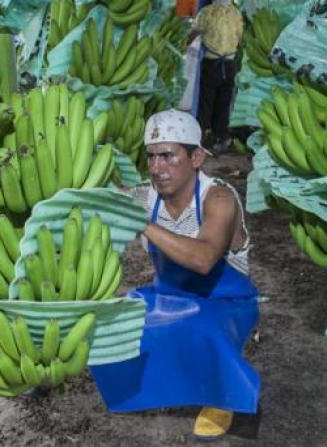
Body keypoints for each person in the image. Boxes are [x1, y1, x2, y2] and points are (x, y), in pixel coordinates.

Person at [90, 110, 260, 439]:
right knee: (111, 320)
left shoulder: (219, 199)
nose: (157, 168)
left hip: (225, 301)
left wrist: (144, 224)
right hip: (169, 296)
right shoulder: (144, 197)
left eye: (168, 156)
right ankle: (157, 385)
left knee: (201, 327)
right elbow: (99, 201)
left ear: (196, 157)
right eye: (151, 157)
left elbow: (204, 259)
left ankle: (220, 396)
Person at [188, 0, 243, 154]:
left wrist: (187, 44)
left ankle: (200, 136)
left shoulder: (206, 12)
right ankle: (220, 137)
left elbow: (195, 32)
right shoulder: (236, 13)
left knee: (206, 102)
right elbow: (240, 38)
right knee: (223, 103)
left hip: (212, 63)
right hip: (229, 64)